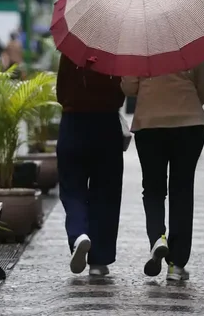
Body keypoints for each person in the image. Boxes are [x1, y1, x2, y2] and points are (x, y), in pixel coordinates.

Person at [122, 63, 204, 282]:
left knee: (153, 189)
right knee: (182, 191)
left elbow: (129, 87)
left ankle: (157, 239)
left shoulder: (140, 45)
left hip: (150, 126)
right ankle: (176, 265)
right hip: (189, 125)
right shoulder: (190, 43)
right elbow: (203, 93)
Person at [56, 55, 125, 277]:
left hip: (73, 123)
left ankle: (78, 235)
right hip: (107, 125)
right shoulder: (114, 51)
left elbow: (60, 92)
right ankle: (99, 260)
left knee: (72, 187)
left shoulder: (71, 51)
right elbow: (120, 94)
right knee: (106, 191)